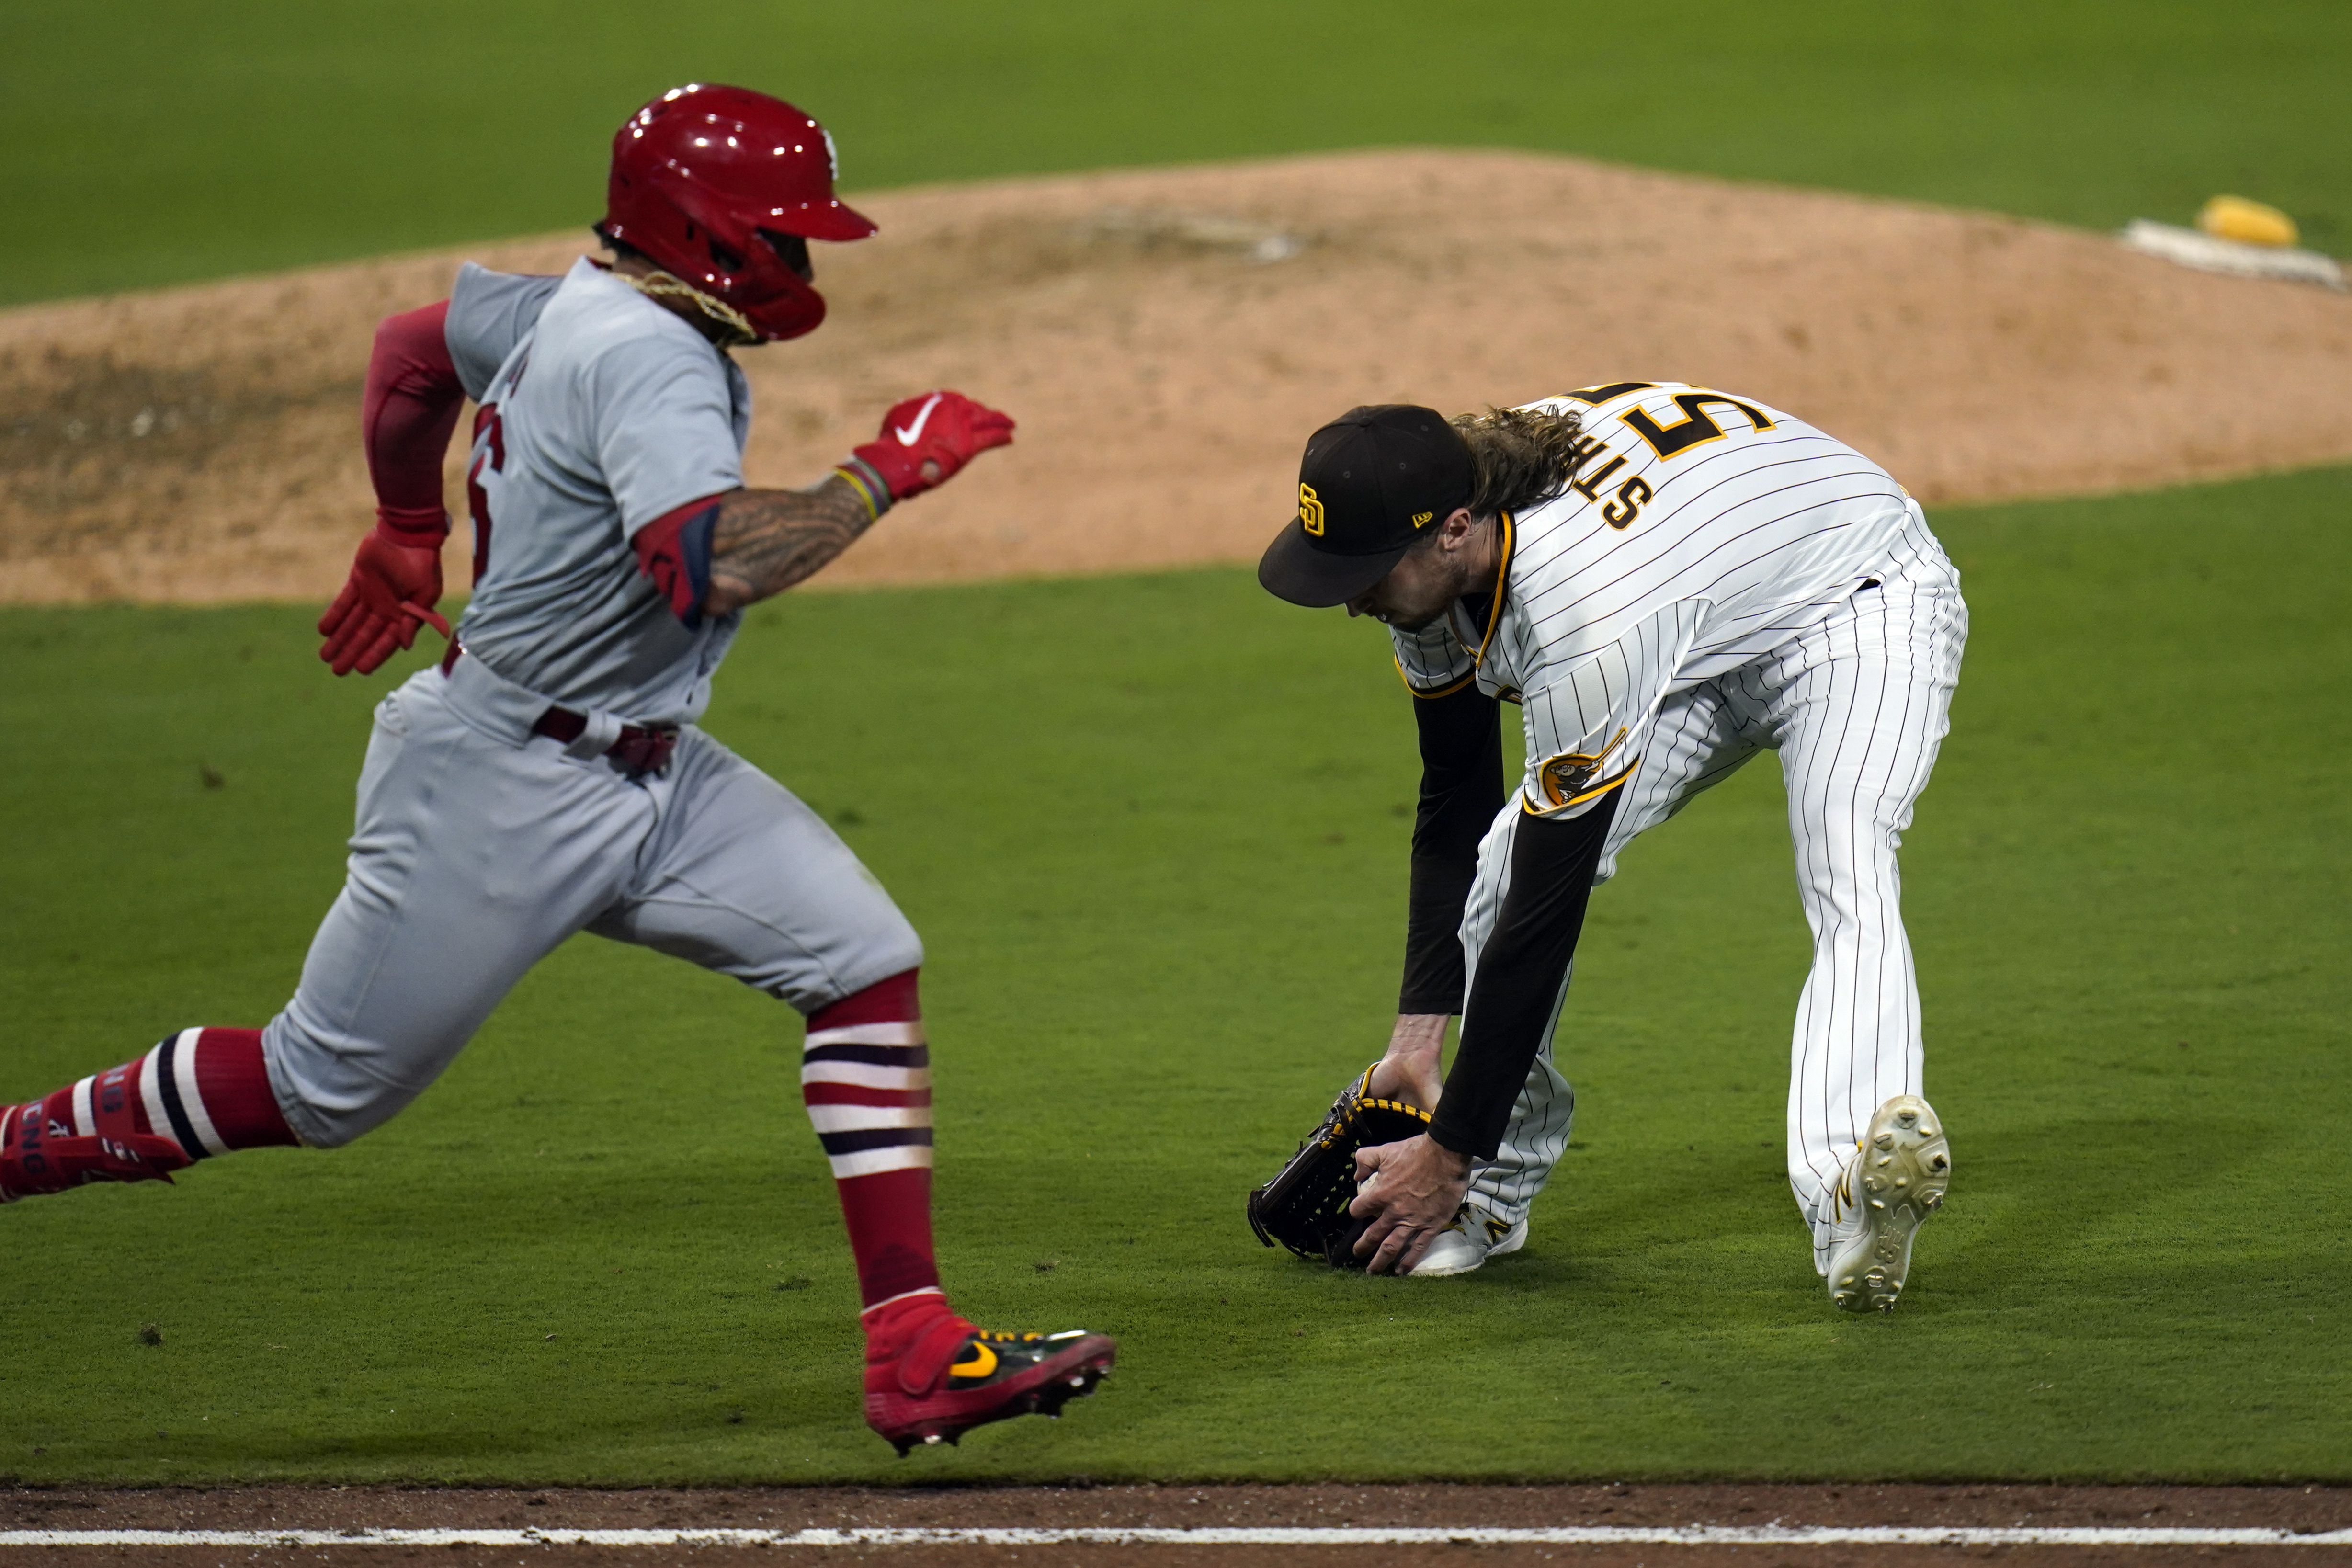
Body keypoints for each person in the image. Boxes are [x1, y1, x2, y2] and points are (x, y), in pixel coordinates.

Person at [0, 83, 1114, 1451]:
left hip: (649, 769)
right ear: (706, 233)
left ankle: (915, 1346)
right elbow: (708, 570)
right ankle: (12, 1151)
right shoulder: (652, 356)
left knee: (860, 957)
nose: (805, 263)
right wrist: (882, 473)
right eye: (784, 235)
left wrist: (408, 521)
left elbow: (414, 351)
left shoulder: (554, 303)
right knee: (315, 1088)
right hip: (500, 788)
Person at [1255, 387, 1961, 1309]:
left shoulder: (1582, 605)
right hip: (1703, 619)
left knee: (1847, 855)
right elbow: (1455, 800)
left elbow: (1551, 908)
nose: (1352, 600)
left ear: (1455, 532)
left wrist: (1448, 1144)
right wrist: (1419, 1039)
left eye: (1370, 571)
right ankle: (1490, 1202)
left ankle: (1849, 1197)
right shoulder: (1436, 576)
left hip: (1856, 602)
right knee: (1500, 861)